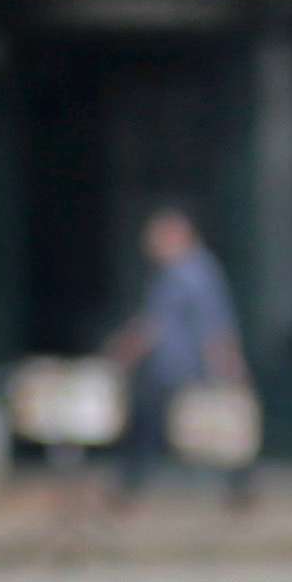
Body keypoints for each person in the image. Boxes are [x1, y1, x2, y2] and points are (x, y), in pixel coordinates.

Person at [103, 205, 254, 507]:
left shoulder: (192, 273)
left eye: (157, 238)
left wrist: (228, 363)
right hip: (173, 367)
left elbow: (209, 323)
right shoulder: (180, 272)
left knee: (205, 426)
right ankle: (239, 488)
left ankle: (129, 488)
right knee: (163, 427)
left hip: (183, 367)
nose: (151, 246)